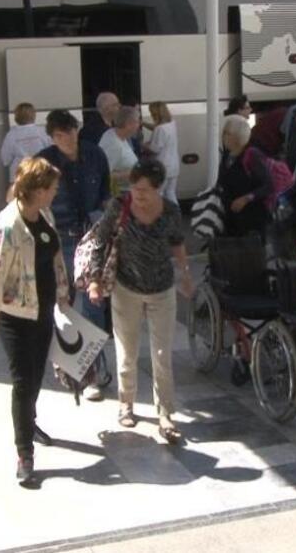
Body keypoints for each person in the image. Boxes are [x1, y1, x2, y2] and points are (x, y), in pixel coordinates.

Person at [0, 157, 70, 488]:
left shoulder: (44, 214)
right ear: (39, 191)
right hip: (15, 317)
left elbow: (55, 256)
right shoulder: (6, 227)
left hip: (43, 311)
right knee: (22, 381)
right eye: (53, 188)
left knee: (35, 375)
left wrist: (62, 291)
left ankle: (29, 422)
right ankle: (24, 453)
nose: (56, 192)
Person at [87, 159, 193, 444]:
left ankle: (166, 413)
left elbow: (177, 242)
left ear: (158, 188)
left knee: (162, 355)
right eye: (135, 188)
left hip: (161, 288)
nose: (139, 195)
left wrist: (184, 274)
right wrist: (95, 279)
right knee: (127, 351)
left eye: (145, 190)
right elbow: (100, 241)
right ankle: (127, 403)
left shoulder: (170, 211)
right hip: (126, 287)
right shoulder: (119, 206)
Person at [36, 110, 112, 401]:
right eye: (58, 135)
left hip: (91, 235)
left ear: (76, 129)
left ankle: (94, 371)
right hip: (61, 237)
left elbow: (104, 189)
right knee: (62, 304)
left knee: (94, 302)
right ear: (52, 137)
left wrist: (107, 217)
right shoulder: (44, 160)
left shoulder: (95, 155)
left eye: (68, 132)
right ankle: (71, 367)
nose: (65, 139)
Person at [217, 115, 273, 238]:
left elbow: (268, 185)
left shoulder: (252, 155)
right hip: (231, 218)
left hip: (251, 218)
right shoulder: (228, 155)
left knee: (250, 254)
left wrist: (246, 198)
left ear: (237, 136)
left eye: (226, 133)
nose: (222, 136)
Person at [0, 102, 52, 182]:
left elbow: (5, 159)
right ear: (33, 115)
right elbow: (51, 152)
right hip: (40, 173)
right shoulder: (42, 132)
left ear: (16, 116)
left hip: (19, 175)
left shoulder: (11, 135)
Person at [143, 101, 181, 203]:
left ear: (156, 114)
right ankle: (176, 216)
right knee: (170, 192)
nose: (150, 114)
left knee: (158, 193)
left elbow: (155, 149)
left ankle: (159, 216)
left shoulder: (160, 129)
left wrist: (143, 145)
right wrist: (143, 123)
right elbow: (156, 128)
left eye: (151, 112)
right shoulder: (171, 123)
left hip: (162, 166)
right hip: (174, 165)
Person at [98, 105, 141, 194]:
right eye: (137, 121)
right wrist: (129, 174)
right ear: (129, 124)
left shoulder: (116, 134)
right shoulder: (114, 145)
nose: (139, 125)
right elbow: (103, 174)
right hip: (121, 195)